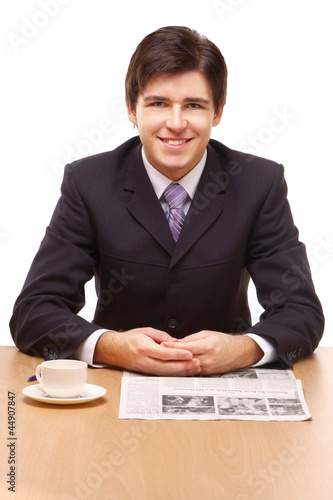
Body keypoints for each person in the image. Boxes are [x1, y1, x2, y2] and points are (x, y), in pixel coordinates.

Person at [10, 26, 324, 376]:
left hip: (224, 387)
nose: (176, 123)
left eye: (194, 105)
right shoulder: (88, 183)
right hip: (116, 389)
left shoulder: (259, 184)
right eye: (159, 103)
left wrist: (243, 348)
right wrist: (113, 346)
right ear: (132, 109)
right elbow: (33, 312)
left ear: (217, 113)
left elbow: (301, 310)